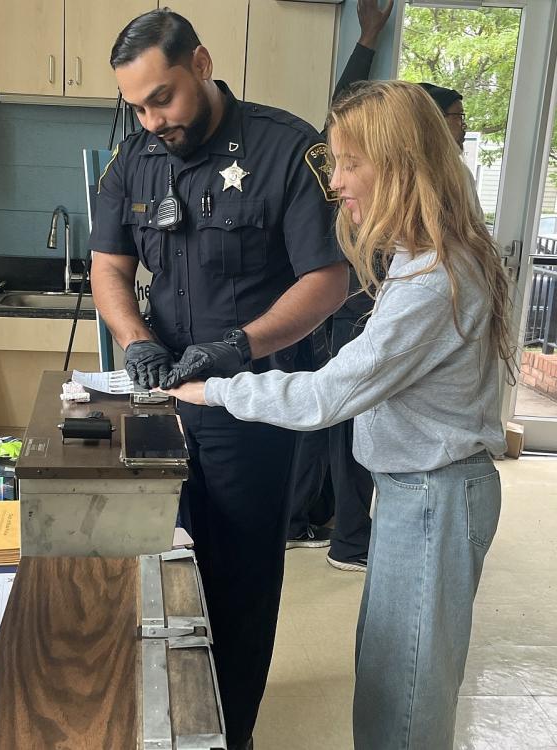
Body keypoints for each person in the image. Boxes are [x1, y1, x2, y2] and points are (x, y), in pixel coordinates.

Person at [165, 79, 512, 749]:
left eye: (351, 162)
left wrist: (215, 387)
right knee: (388, 679)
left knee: (403, 710)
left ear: (402, 163)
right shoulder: (422, 261)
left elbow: (326, 397)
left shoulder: (436, 279)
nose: (338, 182)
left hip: (435, 498)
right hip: (418, 495)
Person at [89, 10, 348, 747]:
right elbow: (109, 267)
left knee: (238, 584)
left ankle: (228, 734)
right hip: (163, 398)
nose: (150, 118)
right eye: (136, 105)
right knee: (162, 569)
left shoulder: (286, 149)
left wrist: (241, 345)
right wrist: (134, 339)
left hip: (249, 409)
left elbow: (327, 279)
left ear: (200, 64)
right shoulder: (133, 157)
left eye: (162, 97)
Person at [286, 0, 395, 569]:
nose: (338, 177)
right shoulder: (350, 183)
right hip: (343, 312)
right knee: (342, 421)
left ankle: (299, 519)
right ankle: (349, 541)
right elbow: (342, 114)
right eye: (454, 122)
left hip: (336, 313)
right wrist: (368, 38)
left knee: (325, 422)